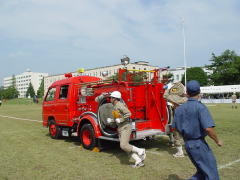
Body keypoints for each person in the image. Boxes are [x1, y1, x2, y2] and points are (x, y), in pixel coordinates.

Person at [172, 80, 223, 180]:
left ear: (187, 93)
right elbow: (208, 129)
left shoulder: (179, 109)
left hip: (188, 144)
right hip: (198, 144)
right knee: (211, 173)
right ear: (199, 92)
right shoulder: (200, 107)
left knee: (202, 173)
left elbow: (175, 128)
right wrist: (217, 141)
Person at [95, 91, 146, 168]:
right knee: (126, 147)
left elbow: (129, 113)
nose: (110, 99)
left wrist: (121, 120)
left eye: (111, 98)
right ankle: (138, 160)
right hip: (120, 128)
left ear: (115, 99)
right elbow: (118, 118)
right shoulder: (115, 106)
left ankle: (140, 151)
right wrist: (112, 120)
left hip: (125, 127)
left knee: (123, 145)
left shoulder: (119, 105)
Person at [164, 82, 187, 158]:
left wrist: (168, 88)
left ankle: (180, 153)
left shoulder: (174, 98)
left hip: (178, 119)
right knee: (187, 136)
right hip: (187, 120)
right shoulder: (187, 98)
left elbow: (165, 95)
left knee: (176, 135)